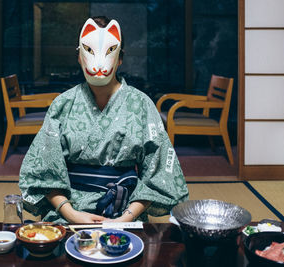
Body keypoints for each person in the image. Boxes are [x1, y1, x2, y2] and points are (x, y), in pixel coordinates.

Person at [19, 16, 188, 224]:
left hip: (125, 209)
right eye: (88, 51)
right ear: (80, 56)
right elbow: (43, 170)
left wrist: (126, 218)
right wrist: (72, 214)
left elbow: (159, 173)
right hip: (69, 209)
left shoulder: (142, 104)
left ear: (119, 59)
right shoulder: (63, 104)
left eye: (110, 52)